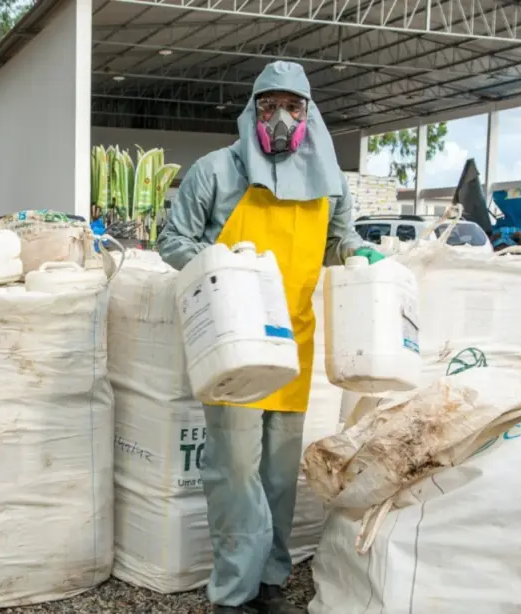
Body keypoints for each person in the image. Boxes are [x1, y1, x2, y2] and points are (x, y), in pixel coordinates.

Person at [157, 60, 382, 614]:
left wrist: (355, 252)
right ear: (252, 111)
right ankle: (233, 593)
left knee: (280, 475)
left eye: (292, 107)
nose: (280, 119)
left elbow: (339, 239)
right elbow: (173, 240)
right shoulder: (216, 172)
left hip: (293, 338)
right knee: (234, 470)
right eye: (268, 107)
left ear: (308, 113)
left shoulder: (331, 180)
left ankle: (271, 583)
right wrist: (218, 260)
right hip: (233, 339)